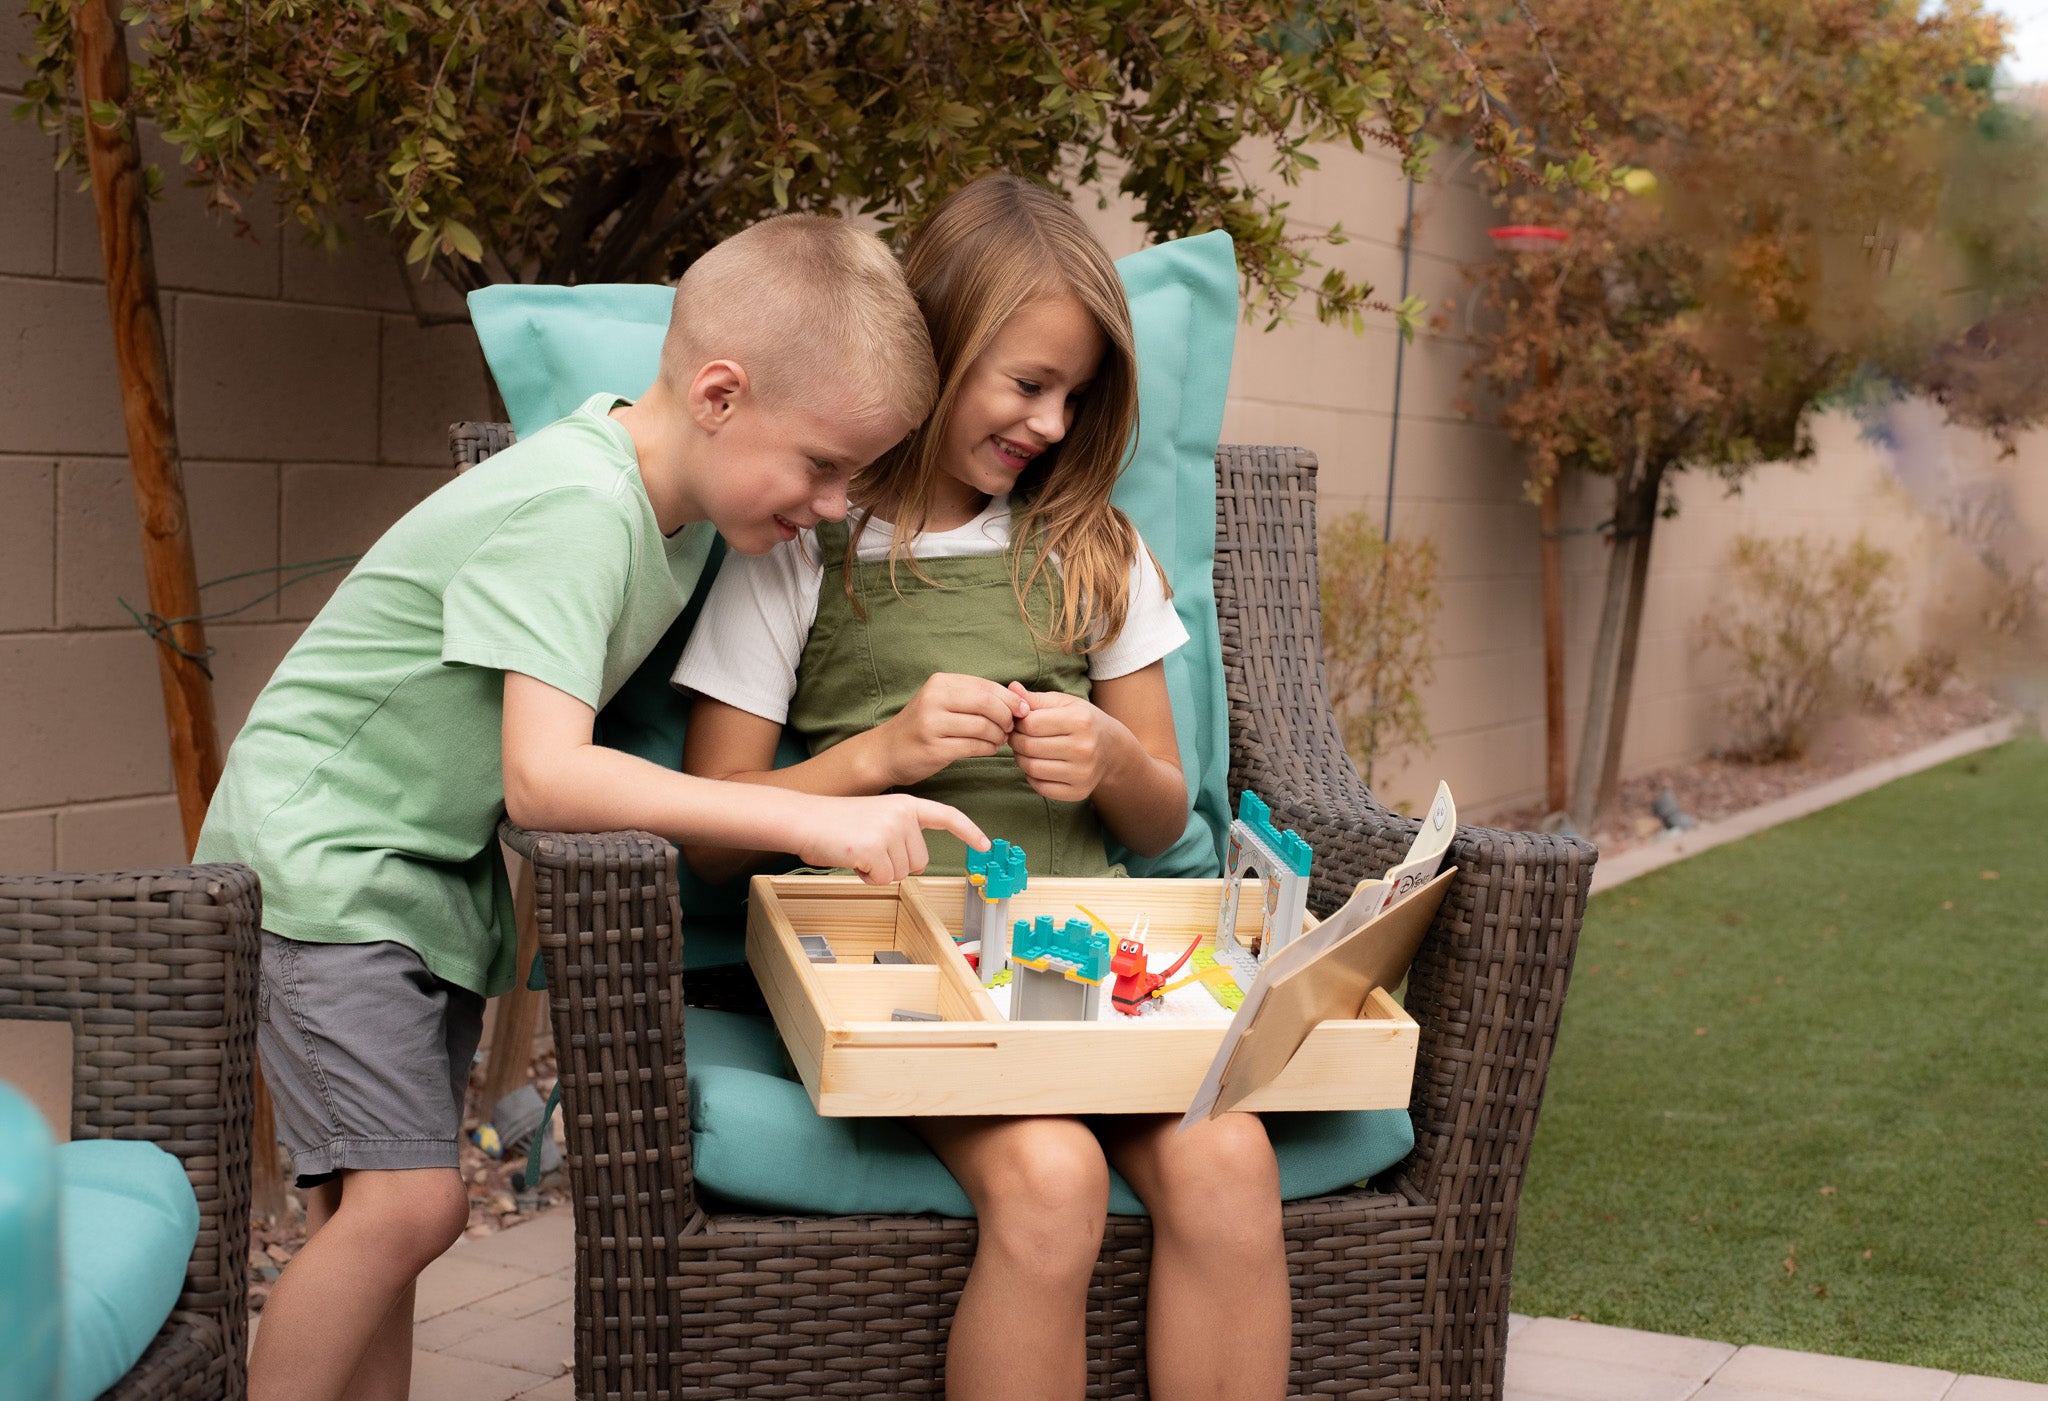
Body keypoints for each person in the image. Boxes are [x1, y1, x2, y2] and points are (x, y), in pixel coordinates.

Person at [194, 214, 988, 1401]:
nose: (831, 503)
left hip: (411, 886)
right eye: (821, 466)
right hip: (326, 864)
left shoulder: (673, 509)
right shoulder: (579, 507)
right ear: (718, 394)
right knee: (408, 1210)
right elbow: (544, 777)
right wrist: (810, 820)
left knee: (372, 1225)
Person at [674, 175, 1289, 1401]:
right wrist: (882, 757)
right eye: (1027, 384)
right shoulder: (806, 542)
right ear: (938, 349)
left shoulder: (1092, 552)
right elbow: (713, 826)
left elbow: (1169, 812)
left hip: (1090, 970)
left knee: (1230, 1165)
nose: (1052, 425)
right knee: (1052, 1180)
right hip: (896, 968)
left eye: (1075, 396)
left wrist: (1114, 765)